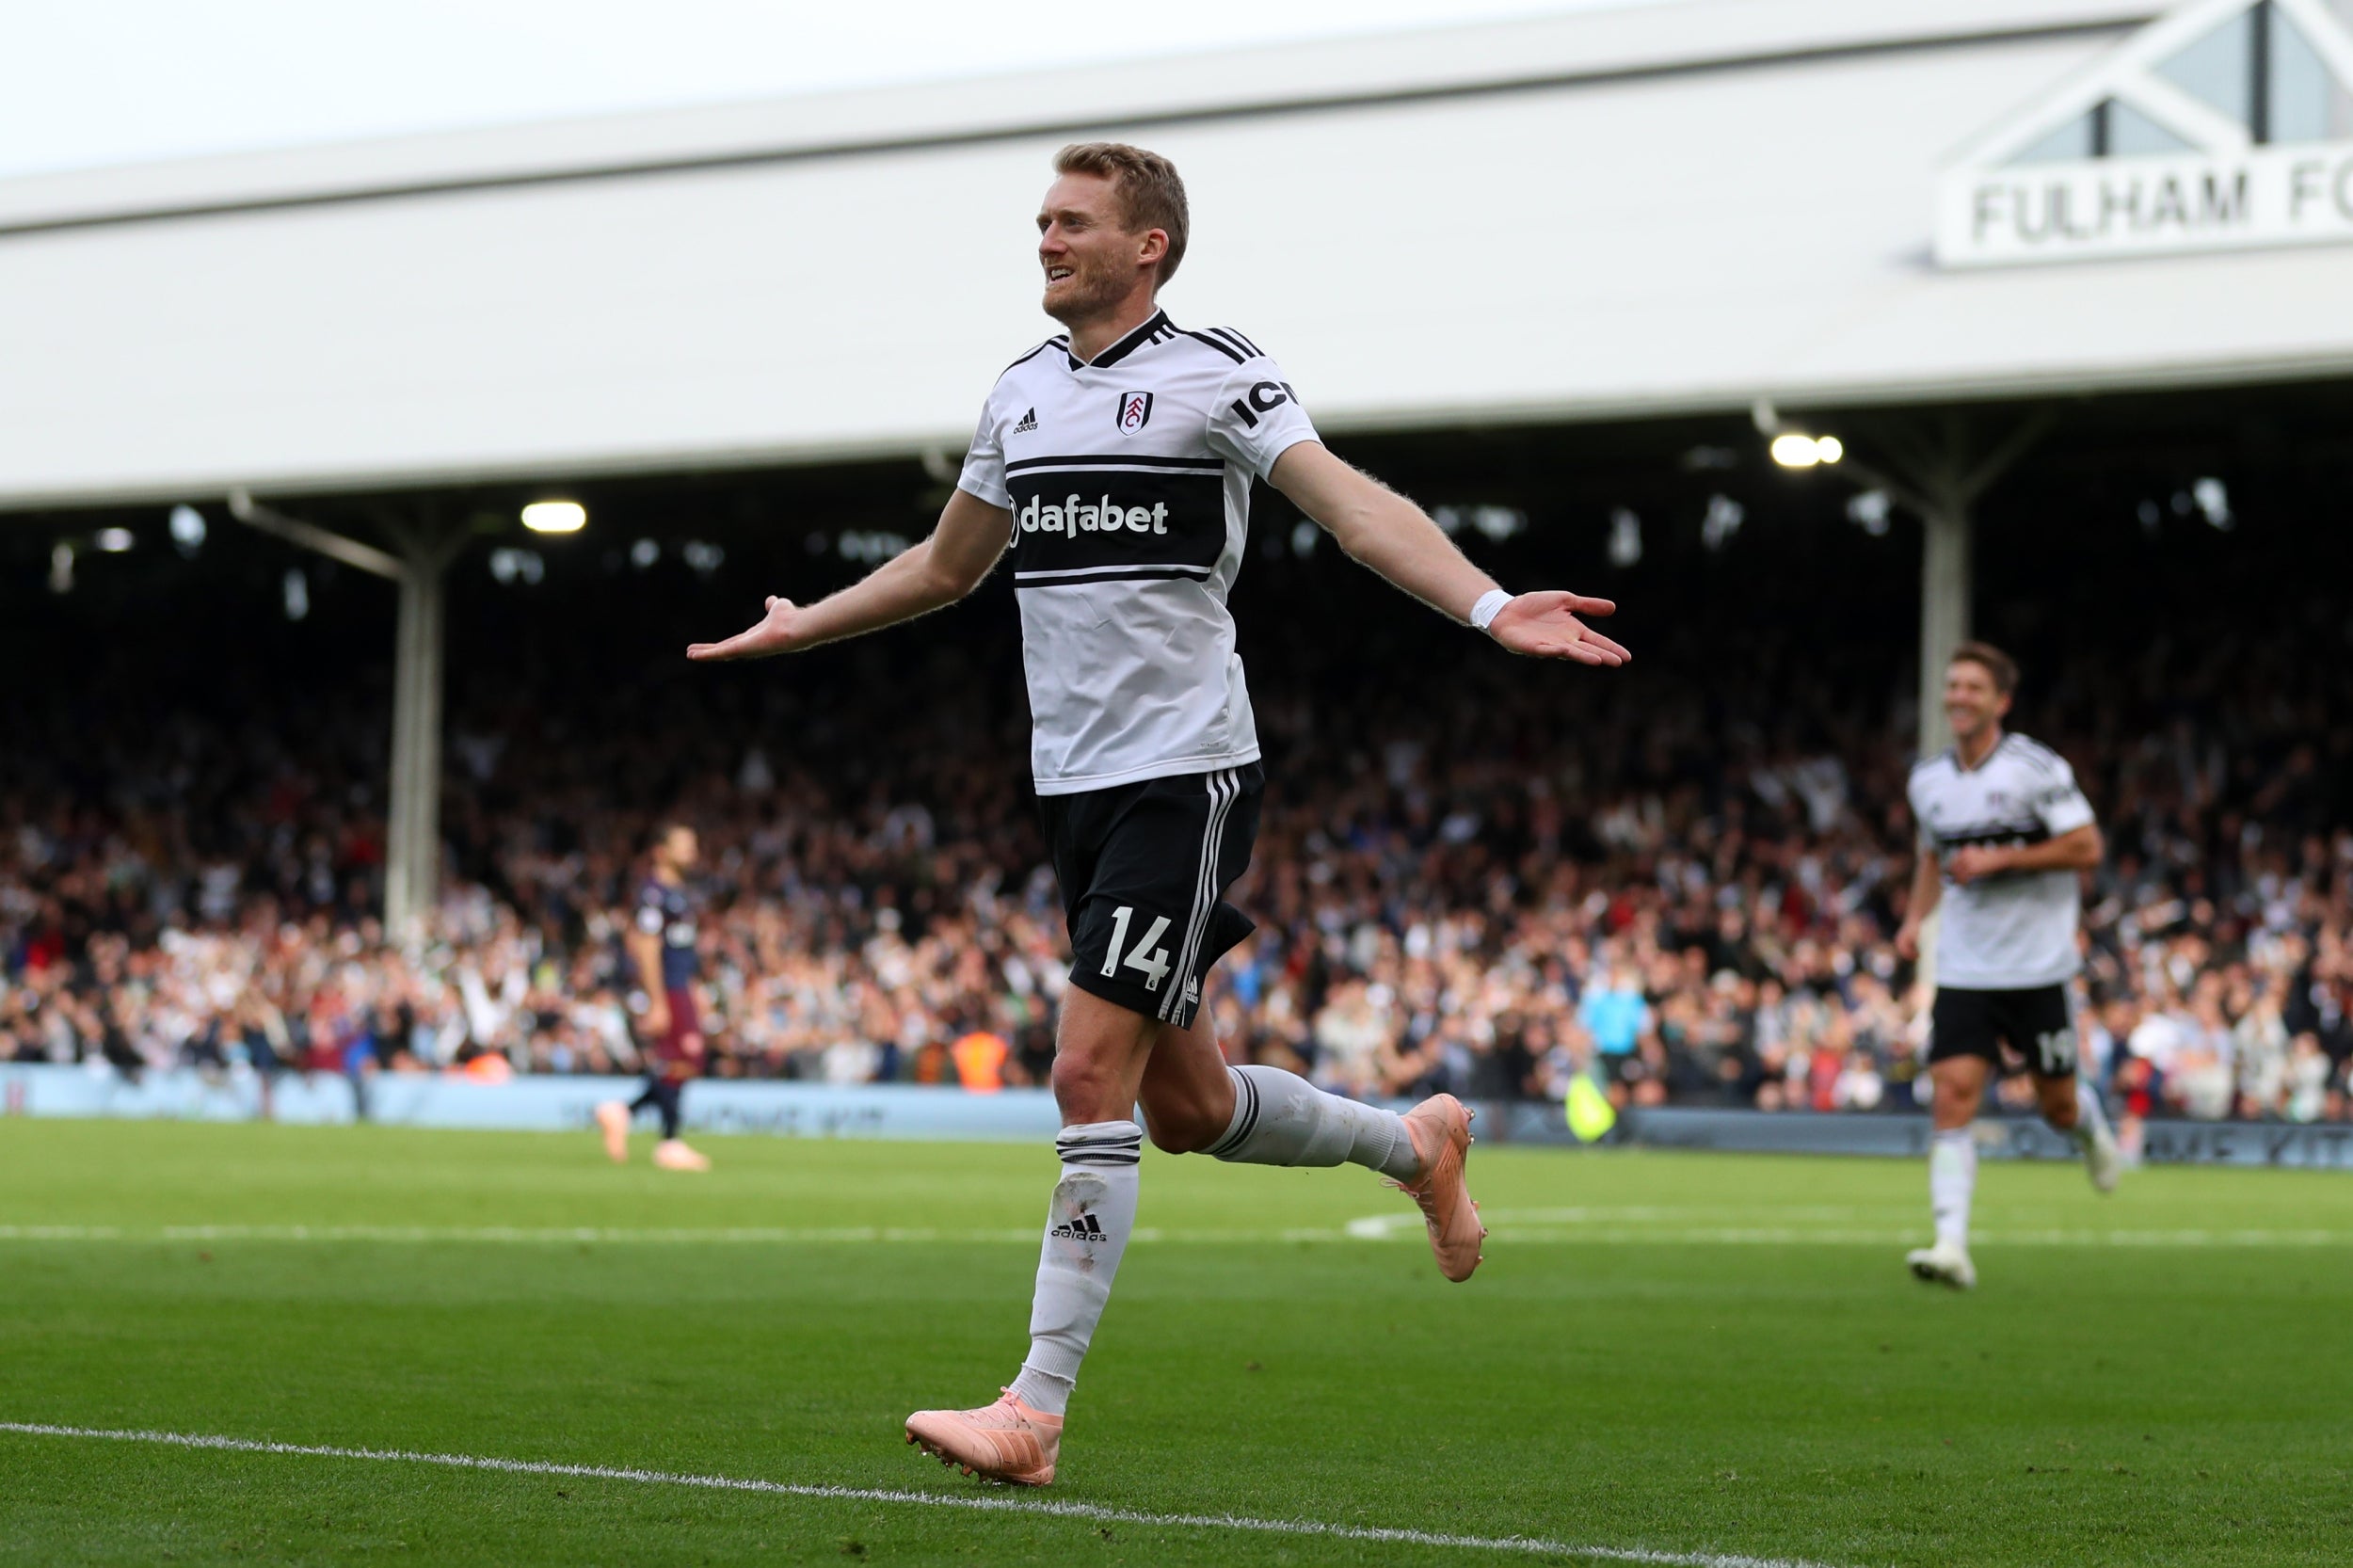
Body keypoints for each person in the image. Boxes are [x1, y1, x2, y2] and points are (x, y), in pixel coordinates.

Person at [688, 141, 1628, 1484]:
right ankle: (1413, 1141)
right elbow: (950, 566)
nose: (1046, 240)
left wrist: (1489, 604)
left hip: (1183, 776)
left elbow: (1353, 510)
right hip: (1070, 788)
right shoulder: (1018, 395)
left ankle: (1035, 1410)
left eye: (1072, 222)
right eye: (1040, 221)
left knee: (1085, 1074)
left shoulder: (1217, 372)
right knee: (1183, 1105)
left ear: (1151, 247)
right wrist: (803, 627)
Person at [1895, 643, 2120, 1290]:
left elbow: (2087, 846)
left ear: (2001, 701)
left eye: (1973, 687)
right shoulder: (1928, 781)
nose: (1959, 696)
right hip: (1965, 968)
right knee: (1953, 1096)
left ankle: (2088, 1125)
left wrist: (2000, 861)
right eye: (1953, 685)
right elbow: (1933, 859)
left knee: (2055, 1106)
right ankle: (1950, 1244)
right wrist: (1915, 921)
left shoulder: (2035, 768)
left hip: (2037, 968)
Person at [595, 822, 712, 1172]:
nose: (692, 852)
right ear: (661, 851)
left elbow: (681, 947)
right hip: (668, 988)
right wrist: (658, 1000)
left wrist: (694, 988)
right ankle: (668, 1141)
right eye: (683, 845)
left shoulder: (680, 893)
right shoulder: (654, 893)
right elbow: (646, 945)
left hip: (681, 986)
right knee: (684, 1058)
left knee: (683, 1061)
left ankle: (624, 1114)